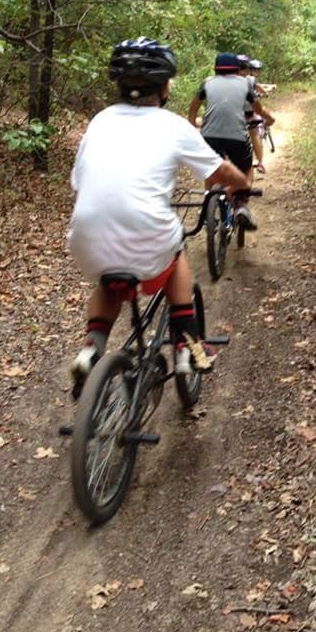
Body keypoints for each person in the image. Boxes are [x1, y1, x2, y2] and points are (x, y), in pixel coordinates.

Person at [67, 37, 248, 399]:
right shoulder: (173, 126)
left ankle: (91, 348)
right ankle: (187, 346)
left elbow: (78, 180)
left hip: (85, 237)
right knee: (176, 252)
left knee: (107, 283)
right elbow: (218, 170)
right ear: (164, 86)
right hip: (145, 235)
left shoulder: (100, 120)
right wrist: (241, 182)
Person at [187, 52, 274, 230]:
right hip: (236, 137)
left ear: (215, 69)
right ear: (237, 69)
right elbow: (257, 108)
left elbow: (194, 106)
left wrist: (192, 122)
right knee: (248, 167)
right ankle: (241, 204)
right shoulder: (245, 83)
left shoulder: (207, 82)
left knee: (212, 168)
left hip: (209, 136)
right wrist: (269, 119)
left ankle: (207, 200)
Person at [237, 55, 268, 174]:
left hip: (233, 113)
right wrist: (265, 93)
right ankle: (260, 163)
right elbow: (259, 89)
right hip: (248, 113)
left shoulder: (227, 79)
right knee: (254, 135)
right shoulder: (250, 80)